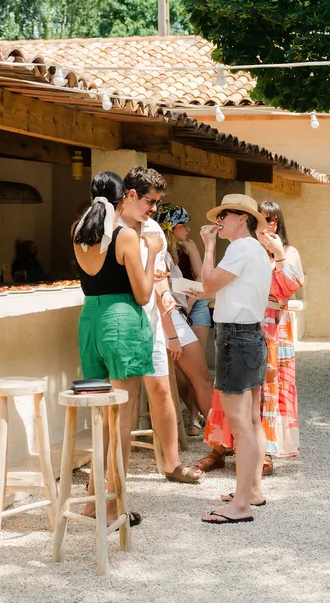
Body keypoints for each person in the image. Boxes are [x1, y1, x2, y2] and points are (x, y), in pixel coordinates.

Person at [72, 171, 160, 527]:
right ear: (124, 197)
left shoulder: (77, 230)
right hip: (122, 320)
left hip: (89, 321)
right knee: (121, 422)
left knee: (100, 419)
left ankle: (93, 502)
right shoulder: (126, 237)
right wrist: (151, 253)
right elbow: (142, 294)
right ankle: (114, 508)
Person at [198, 201, 303, 477]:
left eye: (271, 219)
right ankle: (226, 450)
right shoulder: (252, 250)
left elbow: (285, 290)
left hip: (268, 325)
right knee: (236, 399)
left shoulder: (281, 252)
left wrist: (279, 255)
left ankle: (257, 462)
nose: (266, 225)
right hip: (255, 323)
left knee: (255, 396)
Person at [187, 194, 271, 524]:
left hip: (236, 336)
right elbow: (214, 288)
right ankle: (251, 491)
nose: (219, 220)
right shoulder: (256, 251)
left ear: (242, 219)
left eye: (225, 215)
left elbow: (209, 282)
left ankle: (240, 505)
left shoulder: (239, 248)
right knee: (250, 419)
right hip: (251, 334)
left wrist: (207, 246)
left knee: (239, 422)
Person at [119, 167, 202, 484]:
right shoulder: (113, 229)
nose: (154, 208)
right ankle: (117, 475)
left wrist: (166, 299)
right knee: (124, 402)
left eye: (156, 202)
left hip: (153, 321)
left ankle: (171, 465)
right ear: (130, 195)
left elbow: (161, 279)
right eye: (151, 201)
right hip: (125, 323)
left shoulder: (153, 229)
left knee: (161, 391)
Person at [153, 203, 214, 436]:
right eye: (184, 225)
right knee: (202, 379)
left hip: (178, 317)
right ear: (173, 227)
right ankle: (222, 436)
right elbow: (162, 293)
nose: (188, 229)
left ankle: (209, 427)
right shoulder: (162, 255)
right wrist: (172, 334)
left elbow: (180, 286)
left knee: (197, 378)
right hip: (174, 320)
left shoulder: (165, 253)